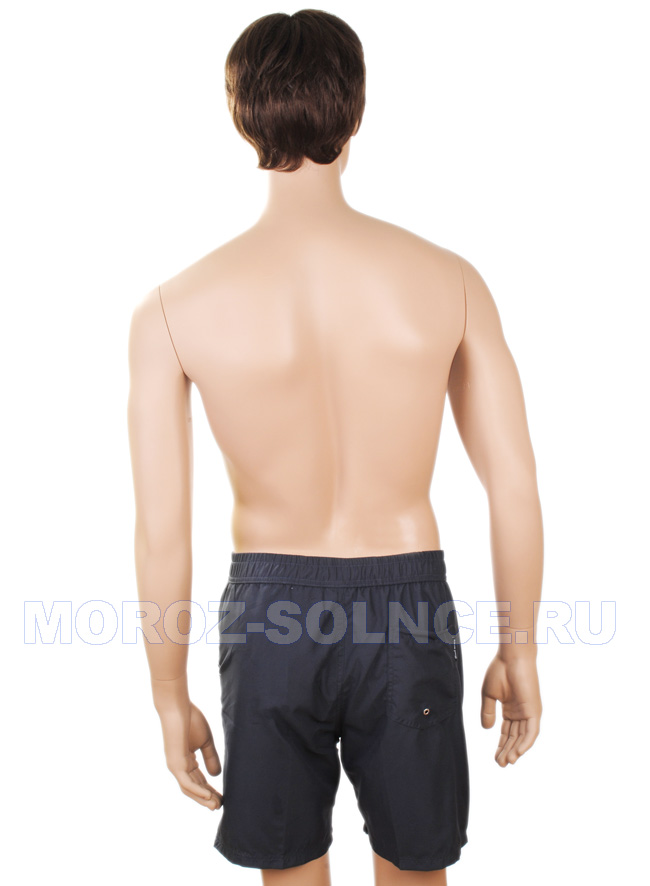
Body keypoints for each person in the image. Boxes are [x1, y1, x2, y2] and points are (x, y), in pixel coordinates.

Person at [127, 9, 544, 886]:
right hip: (407, 608)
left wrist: (168, 696)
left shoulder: (173, 309)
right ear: (356, 111)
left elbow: (163, 530)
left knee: (289, 870)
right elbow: (512, 485)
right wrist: (522, 647)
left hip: (270, 616)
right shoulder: (450, 281)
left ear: (241, 115)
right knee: (416, 869)